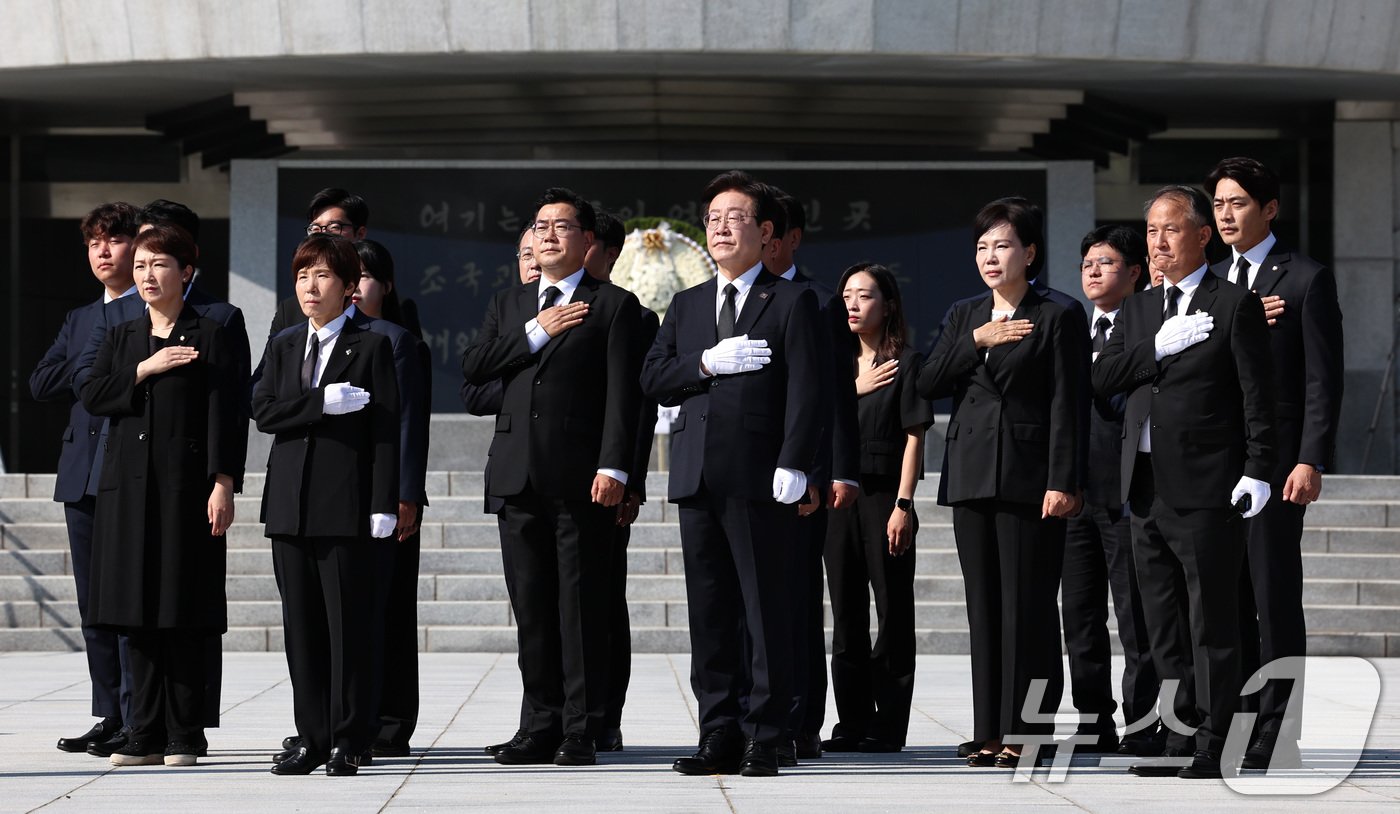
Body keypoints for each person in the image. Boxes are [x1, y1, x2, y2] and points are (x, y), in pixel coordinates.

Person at [641, 170, 824, 778]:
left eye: (735, 216)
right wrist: (704, 362)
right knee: (712, 612)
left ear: (766, 231)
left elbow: (807, 389)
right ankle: (717, 730)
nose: (720, 226)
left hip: (760, 475)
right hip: (696, 475)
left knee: (766, 611)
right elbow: (654, 377)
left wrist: (795, 461)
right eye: (713, 216)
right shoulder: (689, 303)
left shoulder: (794, 300)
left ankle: (767, 733)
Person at [1093, 184, 1276, 779]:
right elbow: (1100, 378)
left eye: (1171, 229)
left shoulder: (1232, 303)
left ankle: (1216, 740)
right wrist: (1153, 347)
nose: (1159, 241)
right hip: (1143, 486)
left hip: (1208, 486)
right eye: (1151, 231)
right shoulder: (1141, 307)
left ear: (1202, 235)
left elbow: (1257, 397)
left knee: (1212, 622)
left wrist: (1257, 469)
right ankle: (1176, 737)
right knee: (1161, 623)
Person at [461, 188, 643, 768]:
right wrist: (537, 331)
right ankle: (536, 724)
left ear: (587, 241)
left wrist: (615, 466)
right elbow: (474, 368)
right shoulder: (510, 304)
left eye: (561, 227)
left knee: (580, 607)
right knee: (533, 607)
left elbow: (624, 395)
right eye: (540, 227)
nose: (546, 236)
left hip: (580, 476)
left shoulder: (614, 305)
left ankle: (579, 728)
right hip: (516, 476)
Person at [916, 197, 1079, 769]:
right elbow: (926, 381)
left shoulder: (1058, 314)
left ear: (1029, 252)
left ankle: (1026, 733)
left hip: (1032, 479)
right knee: (983, 608)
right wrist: (977, 342)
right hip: (970, 475)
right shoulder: (965, 314)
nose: (990, 256)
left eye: (1002, 245)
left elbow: (1068, 404)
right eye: (982, 247)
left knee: (1027, 608)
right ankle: (988, 730)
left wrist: (1063, 479)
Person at [79, 224, 244, 767]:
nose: (148, 275)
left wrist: (223, 482)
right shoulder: (123, 336)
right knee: (134, 609)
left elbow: (227, 412)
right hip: (126, 491)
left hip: (186, 490)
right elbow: (95, 395)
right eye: (143, 266)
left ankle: (185, 732)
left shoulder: (210, 331)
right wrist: (145, 369)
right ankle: (142, 731)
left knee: (183, 607)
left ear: (186, 272)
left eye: (160, 265)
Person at [1206, 157, 1344, 769]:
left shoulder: (1306, 279)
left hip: (1278, 464)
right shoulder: (1207, 282)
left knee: (1273, 594)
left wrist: (1310, 459)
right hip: (1213, 464)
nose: (1226, 214)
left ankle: (1275, 731)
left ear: (1269, 209)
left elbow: (1322, 379)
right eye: (1218, 204)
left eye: (1237, 203)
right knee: (1225, 599)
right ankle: (1231, 724)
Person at [253, 234, 400, 777]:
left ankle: (348, 739)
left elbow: (386, 432)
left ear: (347, 287)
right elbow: (264, 410)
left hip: (346, 503)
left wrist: (384, 501)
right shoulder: (286, 343)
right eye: (301, 277)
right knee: (302, 629)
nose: (310, 288)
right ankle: (310, 738)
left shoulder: (372, 345)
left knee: (346, 627)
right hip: (289, 505)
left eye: (322, 277)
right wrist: (320, 404)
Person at [28, 202, 140, 758]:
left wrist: (94, 375)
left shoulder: (151, 311)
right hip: (81, 474)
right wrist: (92, 372)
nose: (102, 251)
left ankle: (137, 713)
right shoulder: (79, 319)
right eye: (93, 242)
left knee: (127, 603)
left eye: (113, 240)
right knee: (93, 604)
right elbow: (41, 382)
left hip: (129, 469)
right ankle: (109, 711)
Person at [821, 262, 932, 754]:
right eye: (847, 295)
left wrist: (904, 504)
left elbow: (914, 437)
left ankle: (889, 725)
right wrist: (852, 390)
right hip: (835, 496)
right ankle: (851, 722)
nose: (852, 304)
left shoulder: (908, 362)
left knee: (892, 611)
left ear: (887, 304)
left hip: (886, 495)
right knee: (845, 615)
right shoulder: (832, 364)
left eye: (864, 296)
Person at [766, 188, 861, 764]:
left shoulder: (818, 301)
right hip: (752, 473)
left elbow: (833, 398)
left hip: (805, 478)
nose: (764, 243)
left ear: (791, 239)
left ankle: (803, 720)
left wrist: (834, 472)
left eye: (772, 234)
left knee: (799, 602)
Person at [1061, 226, 1162, 756]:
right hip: (1076, 496)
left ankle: (1142, 722)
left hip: (1125, 494)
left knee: (1135, 617)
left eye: (1105, 263)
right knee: (1079, 614)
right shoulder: (1072, 329)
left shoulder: (1149, 328)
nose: (1092, 272)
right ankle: (1092, 718)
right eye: (1086, 265)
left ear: (1135, 273)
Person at [583, 211, 660, 753]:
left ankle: (605, 714)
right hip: (552, 477)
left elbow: (638, 409)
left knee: (604, 599)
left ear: (607, 254)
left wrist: (631, 481)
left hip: (606, 482)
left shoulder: (632, 316)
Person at [353, 238, 432, 758]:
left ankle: (393, 716)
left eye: (363, 277)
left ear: (386, 285)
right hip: (338, 493)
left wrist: (405, 495)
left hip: (388, 496)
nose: (354, 288)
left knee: (390, 611)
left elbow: (409, 425)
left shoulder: (399, 340)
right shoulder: (324, 339)